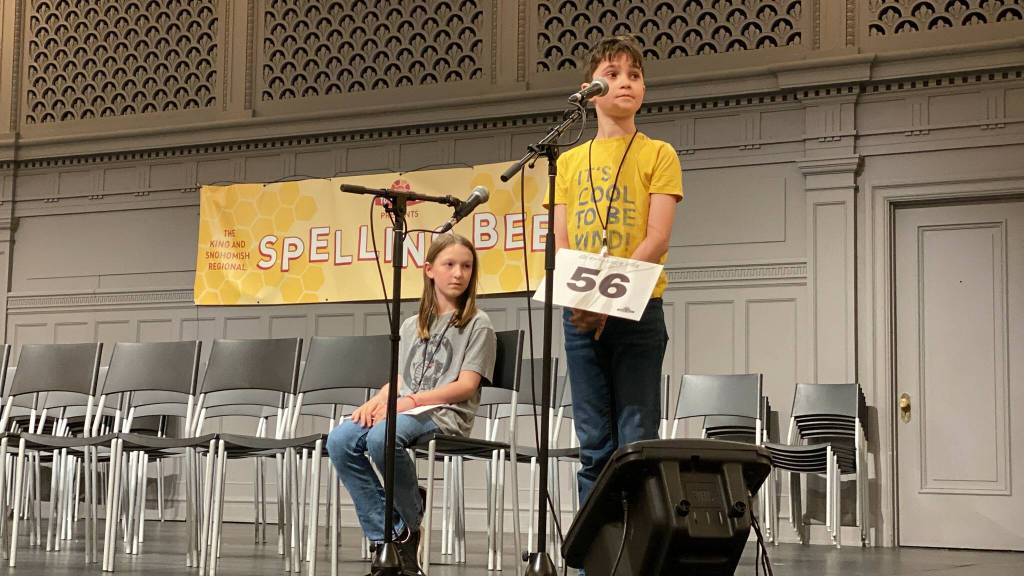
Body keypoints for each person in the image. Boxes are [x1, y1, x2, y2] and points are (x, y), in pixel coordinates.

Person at [553, 35, 684, 507]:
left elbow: (657, 238)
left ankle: (638, 553)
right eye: (612, 74)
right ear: (589, 86)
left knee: (635, 442)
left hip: (638, 310)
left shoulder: (659, 153)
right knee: (593, 445)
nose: (625, 83)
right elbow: (562, 240)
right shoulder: (568, 161)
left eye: (634, 74)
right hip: (580, 313)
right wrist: (583, 304)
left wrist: (609, 300)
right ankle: (597, 556)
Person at [326, 233, 496, 576]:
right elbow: (402, 379)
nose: (459, 273)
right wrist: (378, 400)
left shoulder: (478, 323)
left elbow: (465, 385)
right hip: (408, 408)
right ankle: (391, 533)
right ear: (430, 269)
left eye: (466, 266)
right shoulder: (411, 325)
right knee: (340, 440)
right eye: (450, 265)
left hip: (445, 415)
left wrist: (409, 402)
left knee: (381, 437)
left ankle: (409, 518)